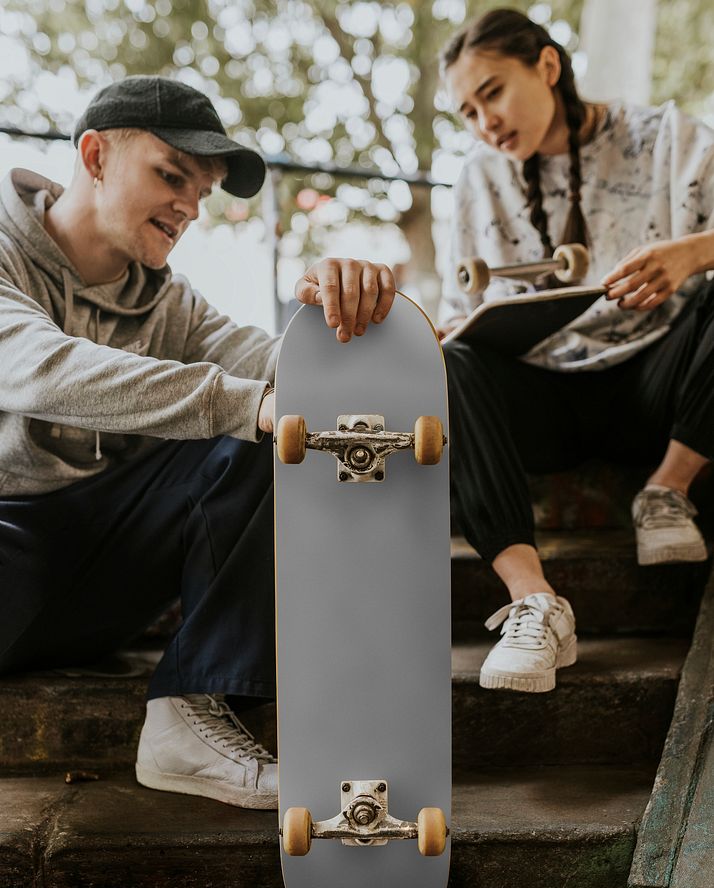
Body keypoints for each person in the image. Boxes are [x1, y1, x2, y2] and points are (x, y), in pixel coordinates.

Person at [0, 76, 396, 808]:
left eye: (203, 190)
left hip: (95, 587)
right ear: (94, 156)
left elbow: (277, 362)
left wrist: (351, 309)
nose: (189, 205)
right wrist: (247, 404)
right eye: (171, 174)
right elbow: (38, 370)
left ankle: (190, 709)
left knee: (270, 436)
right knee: (249, 418)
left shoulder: (165, 299)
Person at [438, 9, 714, 693]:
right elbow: (460, 310)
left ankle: (667, 491)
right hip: (543, 403)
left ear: (549, 68)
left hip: (660, 389)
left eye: (493, 93)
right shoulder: (478, 177)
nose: (484, 123)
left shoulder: (670, 138)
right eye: (468, 112)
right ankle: (534, 603)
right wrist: (446, 333)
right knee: (448, 361)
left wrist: (694, 252)